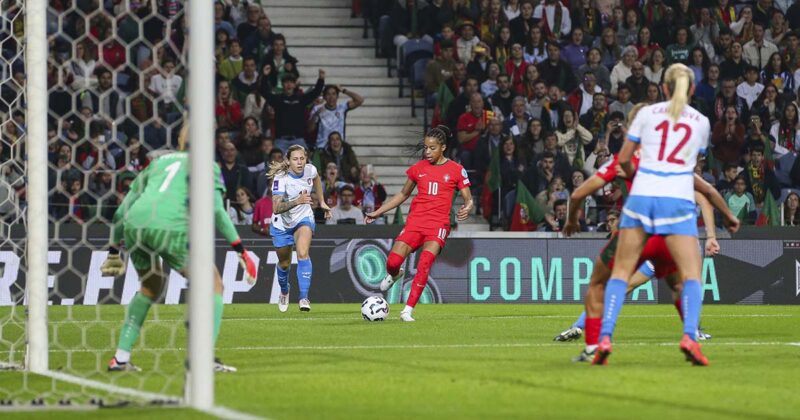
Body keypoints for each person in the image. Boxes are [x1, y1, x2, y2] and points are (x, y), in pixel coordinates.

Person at [101, 123, 257, 373]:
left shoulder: (158, 163)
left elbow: (121, 211)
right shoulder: (208, 166)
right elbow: (217, 210)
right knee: (213, 284)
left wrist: (112, 250)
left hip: (135, 225)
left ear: (180, 141)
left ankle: (120, 358)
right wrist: (240, 249)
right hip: (169, 227)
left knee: (150, 287)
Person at [595, 64, 713, 366]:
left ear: (662, 87)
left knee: (620, 274)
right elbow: (690, 170)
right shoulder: (701, 121)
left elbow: (623, 159)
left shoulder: (646, 114)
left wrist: (638, 178)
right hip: (676, 201)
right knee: (690, 277)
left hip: (641, 199)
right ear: (692, 90)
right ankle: (690, 335)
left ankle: (604, 338)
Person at [365, 126, 473, 322]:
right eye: (426, 148)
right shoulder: (418, 169)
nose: (427, 152)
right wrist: (378, 212)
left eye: (432, 148)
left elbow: (468, 197)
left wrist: (468, 206)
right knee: (392, 262)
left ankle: (407, 310)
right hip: (416, 222)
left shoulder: (456, 170)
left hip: (438, 224)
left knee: (424, 264)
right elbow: (403, 194)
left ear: (443, 148)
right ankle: (395, 274)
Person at [268, 144, 331, 312]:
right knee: (284, 263)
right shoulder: (281, 179)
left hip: (303, 218)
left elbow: (317, 178)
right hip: (281, 224)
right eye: (295, 159)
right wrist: (297, 201)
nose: (300, 162)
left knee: (303, 253)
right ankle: (284, 290)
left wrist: (322, 200)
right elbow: (276, 208)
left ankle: (304, 297)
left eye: (302, 158)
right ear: (288, 161)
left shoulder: (310, 170)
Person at [260, 67, 325, 152]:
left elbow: (315, 93)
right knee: (274, 163)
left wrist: (321, 79)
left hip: (298, 140)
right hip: (280, 141)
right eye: (286, 82)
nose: (289, 85)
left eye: (291, 82)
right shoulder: (277, 99)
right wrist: (264, 76)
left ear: (295, 85)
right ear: (282, 84)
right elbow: (264, 92)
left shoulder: (301, 99)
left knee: (306, 163)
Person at [309, 84, 364, 150]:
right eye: (328, 94)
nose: (331, 97)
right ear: (324, 97)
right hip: (322, 147)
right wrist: (316, 115)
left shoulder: (342, 107)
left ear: (337, 96)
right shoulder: (317, 109)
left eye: (334, 94)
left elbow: (360, 100)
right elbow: (310, 129)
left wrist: (344, 90)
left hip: (338, 148)